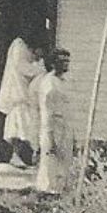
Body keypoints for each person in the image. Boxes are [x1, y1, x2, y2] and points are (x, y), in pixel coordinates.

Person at [33, 50, 75, 194]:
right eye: (62, 60)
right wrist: (50, 137)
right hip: (52, 126)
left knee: (64, 162)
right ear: (53, 63)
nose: (66, 63)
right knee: (50, 162)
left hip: (64, 126)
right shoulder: (49, 83)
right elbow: (47, 112)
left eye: (67, 60)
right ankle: (46, 193)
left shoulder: (63, 82)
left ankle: (60, 192)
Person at [0, 38, 44, 168]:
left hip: (27, 95)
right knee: (19, 127)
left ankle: (31, 156)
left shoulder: (30, 53)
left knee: (29, 127)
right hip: (18, 93)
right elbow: (22, 68)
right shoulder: (19, 46)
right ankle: (16, 156)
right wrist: (40, 70)